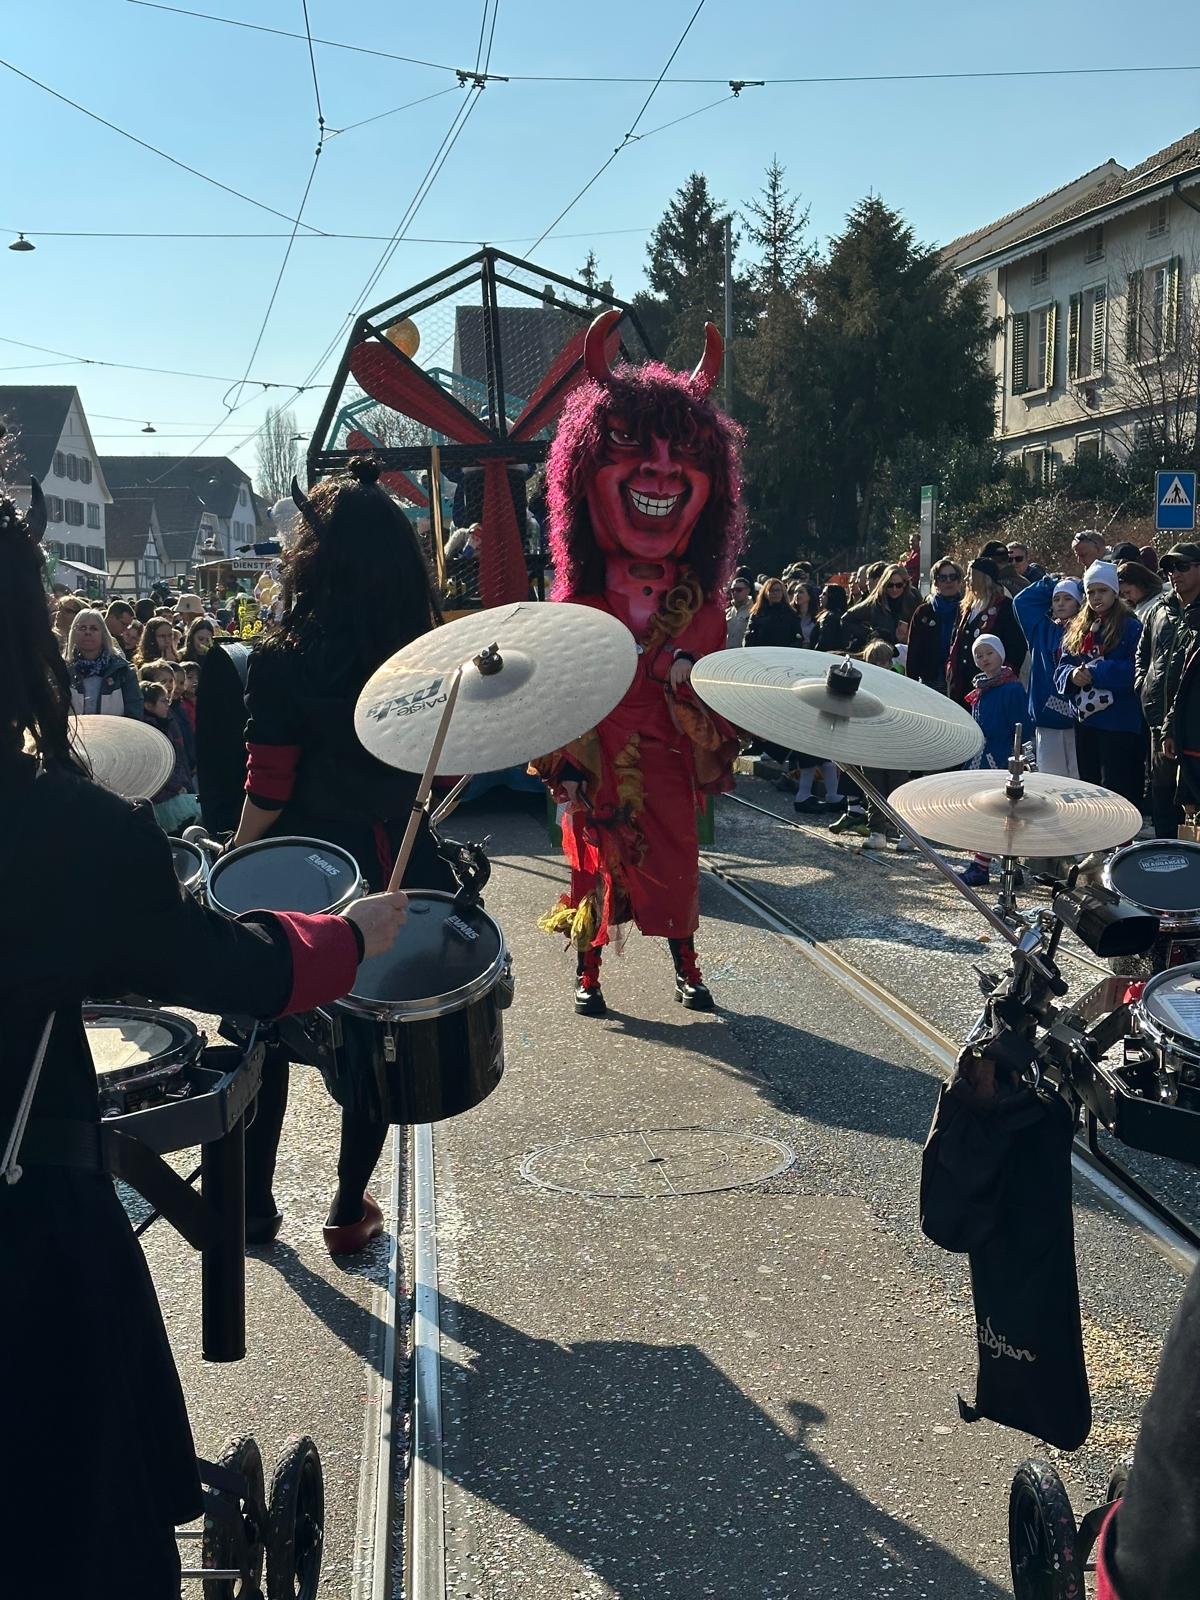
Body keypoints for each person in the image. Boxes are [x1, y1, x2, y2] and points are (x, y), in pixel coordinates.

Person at [0, 480, 410, 1599]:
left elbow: (262, 801)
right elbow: (227, 967)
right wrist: (342, 942)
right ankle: (333, 1199)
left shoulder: (271, 666)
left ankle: (273, 1198)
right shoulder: (59, 829)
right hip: (29, 1262)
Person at [232, 456, 453, 1252]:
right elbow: (445, 770)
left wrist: (234, 859)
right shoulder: (424, 660)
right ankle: (347, 1208)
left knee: (265, 1030)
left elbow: (270, 784)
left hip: (298, 868)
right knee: (377, 1039)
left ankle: (253, 1207)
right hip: (394, 861)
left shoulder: (281, 655)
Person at [532, 312, 742, 1016]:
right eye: (627, 443)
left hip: (669, 759)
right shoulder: (580, 606)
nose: (659, 466)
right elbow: (559, 699)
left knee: (678, 868)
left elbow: (723, 702)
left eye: (683, 450)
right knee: (592, 867)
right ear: (582, 477)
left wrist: (695, 689)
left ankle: (687, 966)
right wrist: (561, 770)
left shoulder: (704, 609)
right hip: (599, 759)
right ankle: (588, 972)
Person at [1055, 560, 1144, 807]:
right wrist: (1072, 676)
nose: (1096, 597)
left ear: (1115, 592)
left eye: (1102, 591)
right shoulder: (1078, 628)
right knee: (1089, 784)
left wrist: (1097, 670)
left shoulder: (1131, 626)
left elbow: (1136, 669)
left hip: (1118, 720)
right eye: (1091, 591)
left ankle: (1121, 842)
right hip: (1086, 719)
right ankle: (1096, 840)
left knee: (1117, 786)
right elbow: (1062, 666)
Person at [1137, 542, 1200, 838]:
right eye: (1169, 568)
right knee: (1162, 797)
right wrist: (1142, 685)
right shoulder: (1158, 609)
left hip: (1192, 726)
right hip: (1157, 720)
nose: (1174, 573)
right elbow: (1142, 652)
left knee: (1191, 801)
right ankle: (1163, 865)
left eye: (1183, 566)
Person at [957, 633, 1029, 887]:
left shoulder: (1011, 688)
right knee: (987, 811)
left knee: (999, 812)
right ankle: (1000, 863)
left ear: (1001, 654)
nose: (984, 658)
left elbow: (1021, 727)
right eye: (979, 654)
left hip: (1000, 758)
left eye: (989, 653)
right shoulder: (980, 688)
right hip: (980, 756)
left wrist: (1019, 756)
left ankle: (984, 865)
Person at [1013, 575, 1084, 778]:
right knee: (1052, 780)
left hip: (1078, 720)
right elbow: (1021, 601)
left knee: (1081, 780)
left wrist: (1083, 586)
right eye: (1056, 599)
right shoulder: (1041, 630)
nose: (1061, 603)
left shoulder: (1088, 630)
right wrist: (1053, 582)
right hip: (1048, 719)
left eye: (1068, 598)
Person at [946, 557, 1027, 705]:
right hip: (961, 684)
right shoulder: (966, 608)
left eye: (970, 575)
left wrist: (1002, 677)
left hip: (991, 685)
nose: (966, 579)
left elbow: (1017, 646)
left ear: (983, 577)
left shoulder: (1005, 607)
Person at [141, 681, 201, 832]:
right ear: (148, 705)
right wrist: (176, 787)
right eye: (162, 701)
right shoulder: (150, 731)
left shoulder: (165, 724)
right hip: (163, 798)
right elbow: (158, 766)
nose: (167, 704)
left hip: (176, 790)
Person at [66, 608, 143, 719]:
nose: (87, 632)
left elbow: (134, 714)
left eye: (94, 628)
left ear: (103, 635)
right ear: (73, 633)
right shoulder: (62, 671)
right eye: (82, 628)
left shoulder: (123, 672)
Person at [906, 560, 964, 691]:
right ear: (936, 583)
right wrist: (910, 686)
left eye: (953, 577)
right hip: (930, 679)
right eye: (942, 578)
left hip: (959, 680)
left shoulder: (967, 610)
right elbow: (913, 653)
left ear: (959, 581)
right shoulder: (923, 612)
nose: (948, 581)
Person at [842, 562, 918, 651]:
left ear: (905, 584)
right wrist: (871, 635)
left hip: (907, 651)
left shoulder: (913, 598)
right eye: (890, 585)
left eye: (898, 585)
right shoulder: (876, 602)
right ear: (884, 584)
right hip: (882, 654)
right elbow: (846, 619)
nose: (894, 589)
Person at [744, 577, 805, 648]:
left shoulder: (791, 614)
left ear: (783, 592)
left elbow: (797, 638)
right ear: (765, 593)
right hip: (762, 654)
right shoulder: (757, 614)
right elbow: (749, 638)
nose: (775, 593)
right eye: (772, 590)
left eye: (778, 590)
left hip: (784, 654)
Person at [725, 575, 754, 647]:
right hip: (726, 654)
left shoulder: (754, 611)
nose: (734, 593)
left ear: (748, 591)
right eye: (732, 590)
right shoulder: (727, 612)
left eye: (739, 590)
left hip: (744, 655)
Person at [790, 580, 821, 646]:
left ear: (809, 596)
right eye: (795, 592)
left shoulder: (817, 617)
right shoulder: (790, 615)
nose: (797, 595)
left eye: (801, 592)